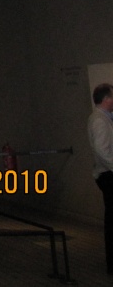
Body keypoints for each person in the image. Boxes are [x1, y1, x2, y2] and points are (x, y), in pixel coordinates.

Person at [89, 83, 113, 274]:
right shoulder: (100, 121)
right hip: (108, 175)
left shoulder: (104, 119)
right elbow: (102, 151)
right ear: (106, 99)